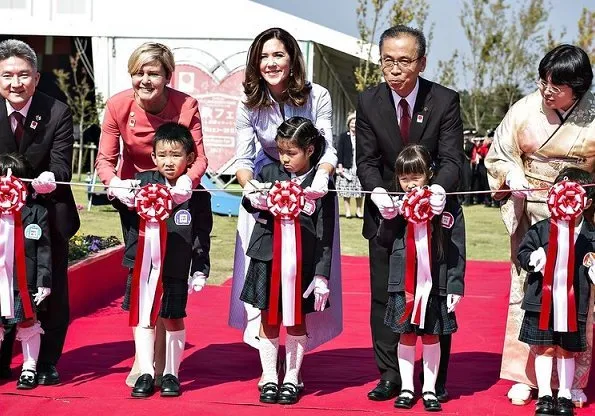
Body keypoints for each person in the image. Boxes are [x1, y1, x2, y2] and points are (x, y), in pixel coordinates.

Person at [356, 25, 463, 402]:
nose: (395, 69)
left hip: (434, 217)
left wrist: (438, 189)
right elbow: (366, 160)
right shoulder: (368, 101)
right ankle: (390, 376)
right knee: (385, 296)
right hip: (387, 215)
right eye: (387, 60)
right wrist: (378, 192)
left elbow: (453, 159)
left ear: (421, 63)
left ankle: (435, 380)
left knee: (434, 294)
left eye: (404, 60)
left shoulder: (445, 100)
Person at [229, 27, 342, 383]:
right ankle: (267, 367)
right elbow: (243, 159)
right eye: (263, 56)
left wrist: (321, 177)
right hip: (266, 197)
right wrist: (253, 191)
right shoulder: (248, 102)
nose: (270, 63)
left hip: (311, 193)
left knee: (305, 277)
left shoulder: (318, 95)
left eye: (278, 54)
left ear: (292, 58)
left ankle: (294, 368)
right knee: (266, 281)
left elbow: (327, 145)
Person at [485, 44, 595, 407]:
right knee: (527, 294)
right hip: (532, 211)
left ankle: (572, 379)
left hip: (580, 217)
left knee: (579, 297)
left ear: (577, 87)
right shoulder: (525, 108)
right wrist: (512, 172)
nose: (546, 91)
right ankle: (524, 376)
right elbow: (499, 152)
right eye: (543, 81)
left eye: (556, 85)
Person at [95, 42, 208, 387]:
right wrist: (115, 185)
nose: (144, 79)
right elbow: (104, 159)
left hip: (177, 194)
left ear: (167, 75)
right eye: (137, 72)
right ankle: (144, 361)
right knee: (144, 272)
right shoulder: (117, 105)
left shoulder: (186, 105)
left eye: (152, 72)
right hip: (137, 197)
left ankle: (162, 360)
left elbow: (200, 157)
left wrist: (186, 182)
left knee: (169, 270)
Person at [0, 39, 80, 385]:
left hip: (45, 212)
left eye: (23, 75)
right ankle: (4, 359)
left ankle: (46, 361)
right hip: (1, 217)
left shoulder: (58, 112)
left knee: (48, 290)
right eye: (7, 76)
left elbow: (63, 167)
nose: (15, 84)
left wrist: (50, 178)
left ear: (36, 77)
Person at [240, 117, 336, 405]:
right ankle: (269, 375)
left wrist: (322, 274)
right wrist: (252, 197)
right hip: (267, 258)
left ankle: (292, 376)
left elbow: (325, 231)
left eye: (291, 152)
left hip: (302, 264)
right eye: (281, 151)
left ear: (310, 149)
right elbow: (249, 202)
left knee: (296, 319)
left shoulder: (320, 184)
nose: (284, 158)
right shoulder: (269, 171)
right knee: (268, 317)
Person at [122, 122, 212, 398]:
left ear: (190, 159)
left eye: (175, 155)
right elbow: (118, 203)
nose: (168, 162)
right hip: (142, 267)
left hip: (175, 267)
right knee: (143, 318)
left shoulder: (197, 195)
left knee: (173, 317)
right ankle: (146, 372)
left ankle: (171, 372)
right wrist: (119, 190)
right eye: (162, 155)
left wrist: (200, 270)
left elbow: (201, 236)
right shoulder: (143, 183)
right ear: (153, 157)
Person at [377, 145, 465, 412]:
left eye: (416, 176)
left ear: (429, 174)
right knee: (405, 336)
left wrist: (455, 284)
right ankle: (406, 387)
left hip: (435, 284)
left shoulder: (446, 205)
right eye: (403, 178)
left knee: (431, 337)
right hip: (403, 284)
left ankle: (429, 389)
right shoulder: (397, 204)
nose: (409, 184)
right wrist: (389, 218)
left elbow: (457, 248)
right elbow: (384, 242)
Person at [517, 167, 595, 416]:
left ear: (587, 201)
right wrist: (533, 259)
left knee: (566, 349)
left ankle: (564, 394)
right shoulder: (541, 229)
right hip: (541, 301)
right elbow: (523, 254)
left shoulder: (591, 235)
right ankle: (543, 395)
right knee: (544, 348)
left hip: (575, 302)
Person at [0, 153, 52, 390]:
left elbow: (43, 249)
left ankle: (29, 369)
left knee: (28, 322)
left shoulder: (36, 212)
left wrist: (44, 281)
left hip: (24, 281)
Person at [336, 111, 364, 218]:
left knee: (359, 190)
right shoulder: (344, 136)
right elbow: (340, 151)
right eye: (352, 123)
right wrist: (340, 166)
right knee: (346, 191)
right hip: (346, 167)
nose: (354, 125)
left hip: (358, 167)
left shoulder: (362, 137)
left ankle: (358, 210)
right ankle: (347, 211)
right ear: (349, 124)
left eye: (356, 123)